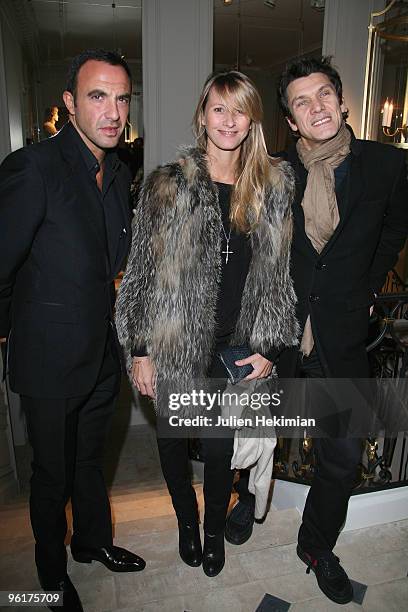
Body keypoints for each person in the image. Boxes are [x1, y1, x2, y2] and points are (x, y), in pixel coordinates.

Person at [225, 56, 408, 604]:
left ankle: (315, 545)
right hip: (279, 332)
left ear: (342, 99)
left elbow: (396, 228)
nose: (316, 107)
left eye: (324, 94)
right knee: (258, 435)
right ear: (291, 117)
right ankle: (244, 499)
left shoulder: (387, 166)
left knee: (344, 455)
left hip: (342, 333)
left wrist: (367, 284)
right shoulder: (275, 171)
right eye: (302, 102)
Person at [115, 70, 299, 578]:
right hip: (175, 342)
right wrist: (140, 348)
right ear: (203, 115)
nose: (228, 120)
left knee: (221, 451)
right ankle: (186, 524)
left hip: (235, 346)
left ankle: (214, 531)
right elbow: (142, 273)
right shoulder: (166, 185)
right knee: (174, 444)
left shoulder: (273, 186)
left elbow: (280, 273)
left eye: (239, 110)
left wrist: (270, 344)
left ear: (252, 122)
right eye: (218, 108)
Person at [0, 49, 146, 612]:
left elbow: (112, 262)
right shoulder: (33, 167)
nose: (112, 111)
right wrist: (10, 332)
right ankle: (50, 572)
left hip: (99, 357)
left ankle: (93, 542)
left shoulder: (120, 172)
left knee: (90, 463)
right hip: (49, 358)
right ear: (69, 103)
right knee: (51, 474)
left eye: (121, 97)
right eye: (97, 96)